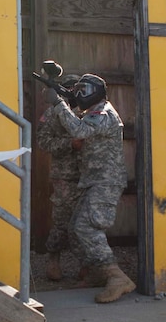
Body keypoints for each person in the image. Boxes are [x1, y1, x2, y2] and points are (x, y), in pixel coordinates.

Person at [52, 73, 135, 303]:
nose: (79, 94)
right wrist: (66, 97)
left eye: (83, 90)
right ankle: (98, 274)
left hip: (106, 181)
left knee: (87, 227)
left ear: (96, 92)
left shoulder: (103, 113)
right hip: (93, 181)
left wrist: (59, 103)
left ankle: (116, 277)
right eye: (77, 90)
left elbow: (79, 131)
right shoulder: (91, 112)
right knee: (74, 229)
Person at [36, 73, 81, 281]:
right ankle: (53, 260)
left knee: (86, 222)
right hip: (64, 176)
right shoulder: (52, 113)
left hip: (88, 175)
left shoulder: (87, 113)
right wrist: (67, 144)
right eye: (70, 89)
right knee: (62, 221)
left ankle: (86, 265)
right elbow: (43, 141)